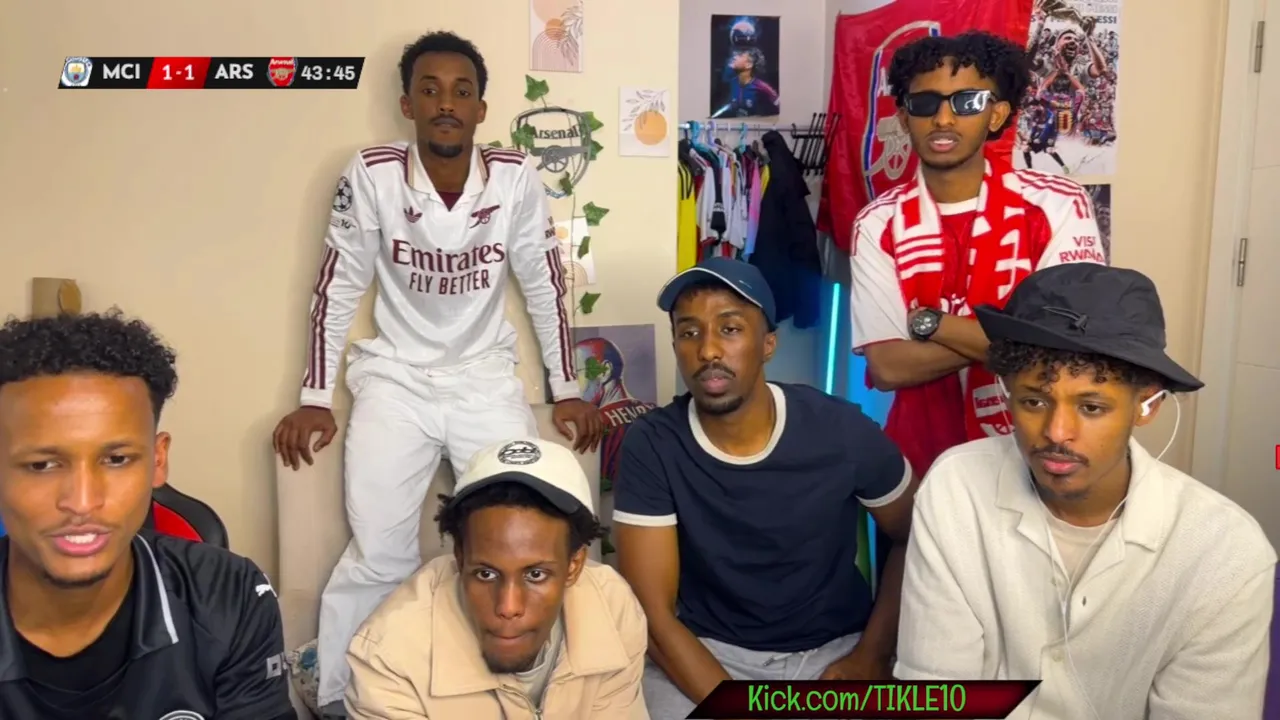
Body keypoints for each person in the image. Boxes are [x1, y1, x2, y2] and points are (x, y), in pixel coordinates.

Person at [269, 31, 606, 711]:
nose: (446, 103)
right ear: (408, 104)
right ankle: (341, 695)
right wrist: (313, 395)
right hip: (395, 378)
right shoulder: (372, 173)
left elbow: (544, 281)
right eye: (430, 89)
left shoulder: (513, 175)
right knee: (379, 552)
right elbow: (338, 283)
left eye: (461, 91)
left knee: (524, 532)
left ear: (481, 108)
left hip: (484, 379)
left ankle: (524, 685)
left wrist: (567, 388)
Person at [896, 264, 1277, 719]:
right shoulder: (956, 490)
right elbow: (937, 692)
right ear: (1007, 392)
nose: (1057, 432)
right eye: (1034, 401)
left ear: (1147, 405)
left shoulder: (1226, 554)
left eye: (1092, 407)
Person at [612, 257, 918, 718]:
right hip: (705, 655)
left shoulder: (840, 428)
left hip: (834, 653)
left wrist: (871, 655)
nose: (708, 350)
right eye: (689, 332)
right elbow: (653, 616)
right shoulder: (653, 443)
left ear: (768, 344)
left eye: (730, 329)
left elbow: (916, 535)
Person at [0, 312, 294, 719]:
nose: (82, 502)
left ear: (157, 460)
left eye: (117, 459)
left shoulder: (229, 596)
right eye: (42, 465)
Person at [849, 30, 1107, 489]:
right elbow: (887, 367)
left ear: (997, 114)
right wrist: (1019, 339)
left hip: (1040, 453)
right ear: (905, 117)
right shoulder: (878, 222)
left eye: (967, 102)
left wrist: (931, 324)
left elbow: (1068, 347)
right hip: (923, 458)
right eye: (925, 103)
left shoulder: (1057, 204)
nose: (943, 118)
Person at [344, 438, 648, 719]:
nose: (508, 606)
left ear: (574, 566)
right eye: (486, 574)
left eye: (536, 574)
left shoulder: (612, 607)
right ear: (460, 558)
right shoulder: (390, 657)